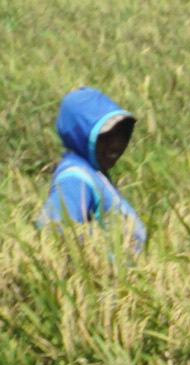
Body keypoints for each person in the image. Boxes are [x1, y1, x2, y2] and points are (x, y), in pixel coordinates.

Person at [37, 89, 142, 247]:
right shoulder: (75, 178)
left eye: (121, 134)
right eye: (105, 136)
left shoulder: (95, 174)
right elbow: (53, 229)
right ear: (81, 136)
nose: (116, 145)